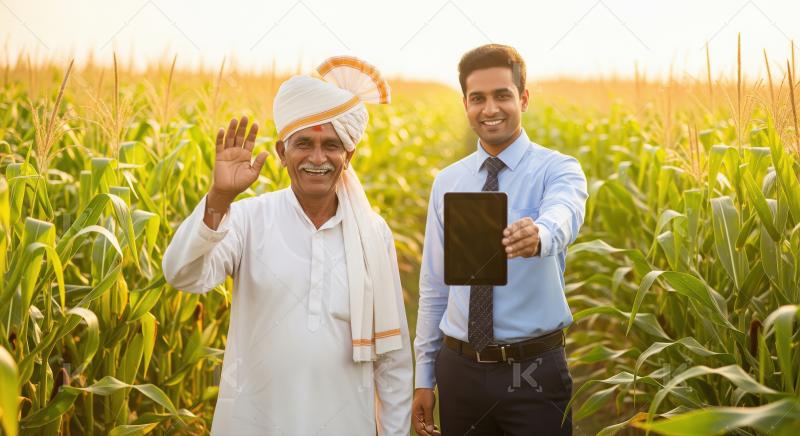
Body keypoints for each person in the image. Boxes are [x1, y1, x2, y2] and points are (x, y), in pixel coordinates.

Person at [162, 56, 412, 436]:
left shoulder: (373, 234)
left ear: (349, 156)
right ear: (281, 153)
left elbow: (393, 358)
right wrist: (218, 198)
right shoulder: (247, 219)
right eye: (303, 144)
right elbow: (182, 274)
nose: (317, 158)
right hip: (254, 422)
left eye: (331, 145)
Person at [412, 44, 588, 436]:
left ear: (523, 98)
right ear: (465, 104)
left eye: (502, 95)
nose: (490, 109)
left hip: (533, 372)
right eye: (478, 98)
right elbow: (435, 287)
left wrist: (540, 235)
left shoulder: (557, 169)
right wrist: (425, 376)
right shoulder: (448, 182)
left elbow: (565, 214)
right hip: (460, 372)